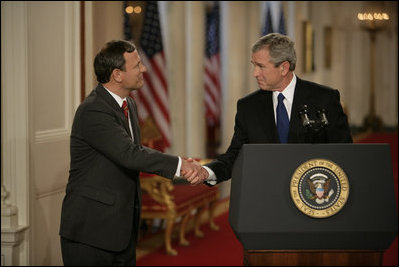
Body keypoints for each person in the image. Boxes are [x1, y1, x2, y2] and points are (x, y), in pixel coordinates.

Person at [59, 40, 203, 266]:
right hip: (91, 232)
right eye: (137, 65)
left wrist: (179, 161)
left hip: (121, 229)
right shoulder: (94, 110)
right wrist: (179, 166)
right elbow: (129, 153)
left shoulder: (129, 105)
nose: (144, 69)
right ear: (117, 74)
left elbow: (132, 151)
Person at [187, 33, 353, 186]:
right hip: (267, 196)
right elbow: (236, 155)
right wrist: (207, 171)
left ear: (284, 68)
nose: (255, 73)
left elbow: (344, 153)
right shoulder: (248, 107)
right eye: (254, 65)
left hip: (314, 193)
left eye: (261, 66)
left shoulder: (324, 99)